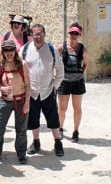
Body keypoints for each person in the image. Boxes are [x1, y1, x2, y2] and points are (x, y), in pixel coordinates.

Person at [19, 24, 65, 156]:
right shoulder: (25, 49)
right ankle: (36, 142)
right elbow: (18, 68)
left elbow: (60, 70)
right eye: (35, 34)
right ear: (31, 35)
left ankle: (58, 142)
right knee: (33, 119)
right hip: (32, 92)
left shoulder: (51, 49)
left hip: (48, 91)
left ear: (44, 34)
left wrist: (55, 86)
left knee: (53, 119)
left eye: (40, 34)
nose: (38, 37)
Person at [0, 40, 31, 164]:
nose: (9, 53)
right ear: (3, 51)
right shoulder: (0, 65)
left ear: (15, 51)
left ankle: (22, 154)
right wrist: (2, 88)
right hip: (5, 100)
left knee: (21, 129)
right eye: (6, 50)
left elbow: (28, 85)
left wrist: (27, 103)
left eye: (11, 49)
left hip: (21, 100)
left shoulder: (22, 64)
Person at [57, 23, 89, 143]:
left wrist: (79, 74)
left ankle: (76, 131)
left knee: (77, 108)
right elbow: (54, 62)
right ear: (68, 33)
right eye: (72, 33)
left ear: (80, 34)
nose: (74, 35)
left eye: (76, 33)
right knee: (62, 108)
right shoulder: (61, 47)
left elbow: (85, 64)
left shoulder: (84, 50)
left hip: (77, 82)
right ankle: (60, 128)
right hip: (64, 82)